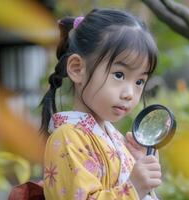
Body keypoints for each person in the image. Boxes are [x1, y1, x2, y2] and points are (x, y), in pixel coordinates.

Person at [40, 8, 161, 200]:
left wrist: (139, 164)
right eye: (119, 75)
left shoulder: (115, 138)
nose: (130, 94)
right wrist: (134, 189)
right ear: (77, 69)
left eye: (139, 82)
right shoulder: (67, 137)